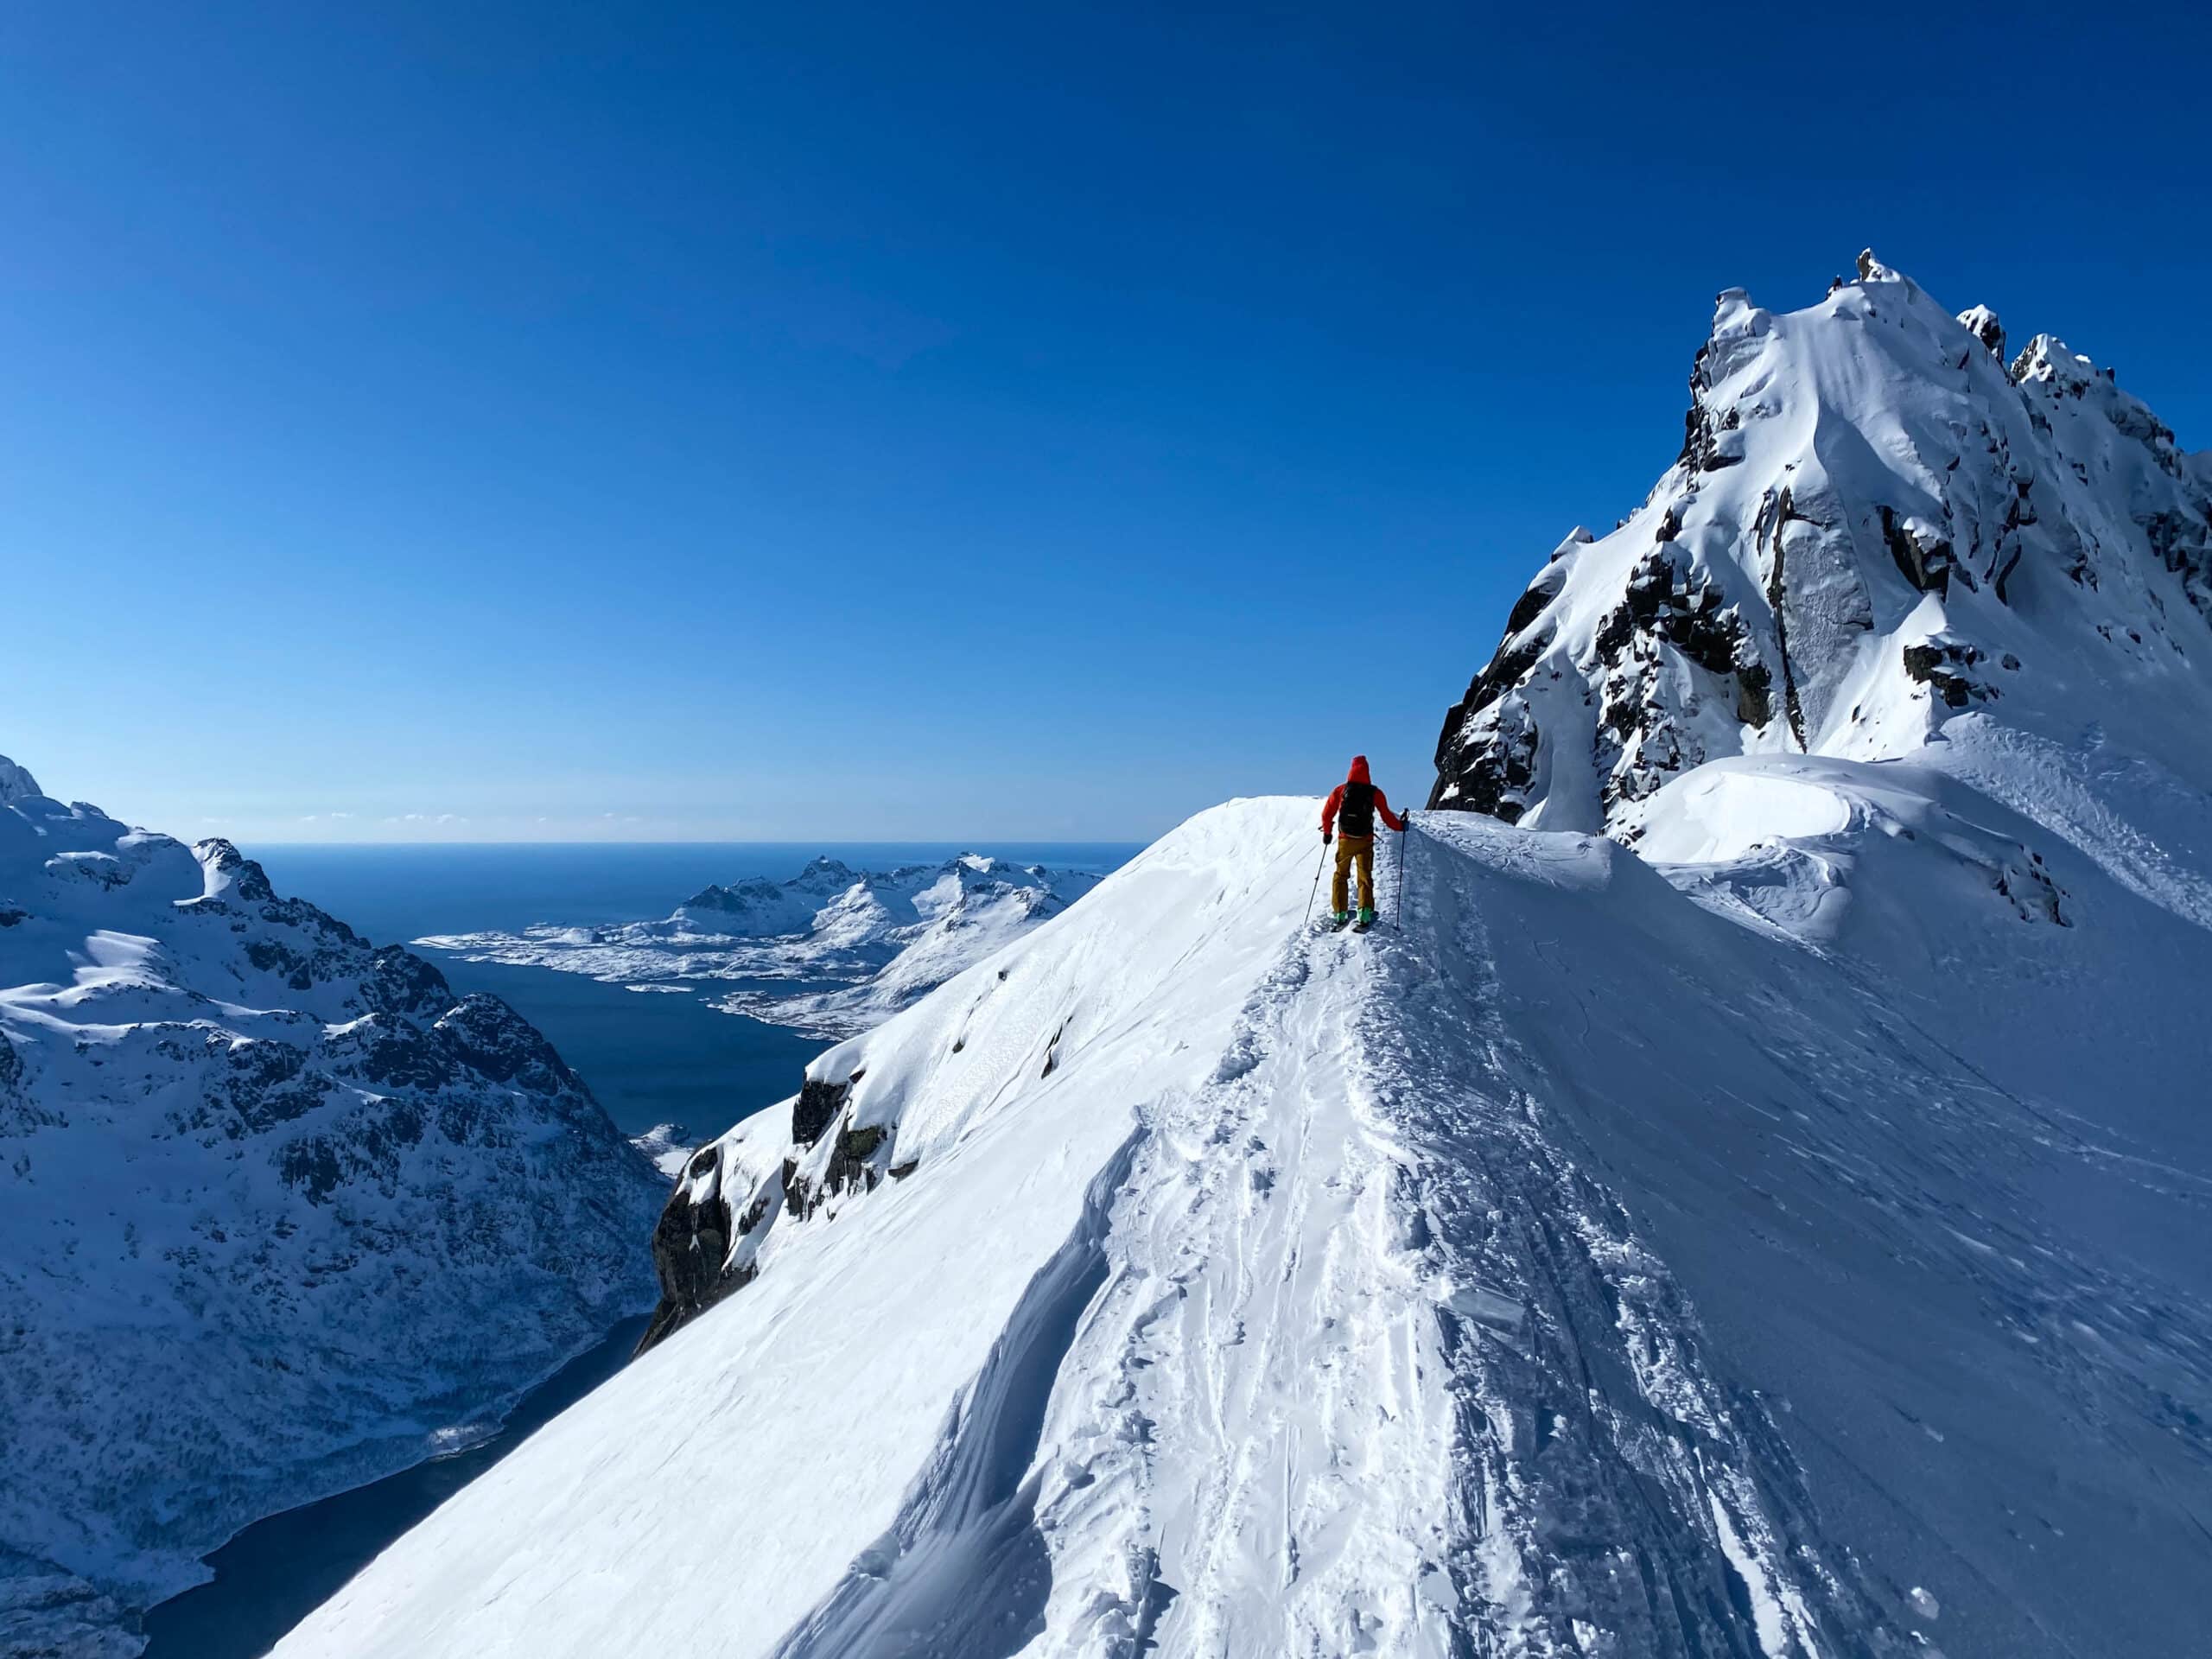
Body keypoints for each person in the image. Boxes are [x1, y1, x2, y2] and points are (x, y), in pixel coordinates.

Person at [1320, 755, 1408, 928]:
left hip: (1345, 839)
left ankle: (1339, 913)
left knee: (1340, 875)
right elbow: (1387, 816)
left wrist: (1328, 833)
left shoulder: (1341, 790)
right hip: (1365, 840)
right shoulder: (1375, 792)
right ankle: (1365, 914)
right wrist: (1401, 827)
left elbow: (1327, 814)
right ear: (1367, 771)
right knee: (1365, 877)